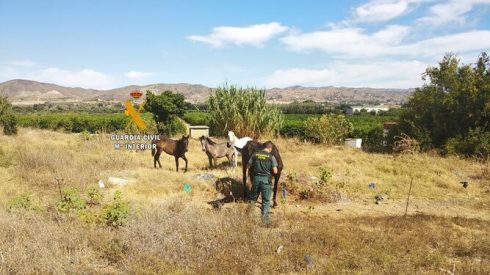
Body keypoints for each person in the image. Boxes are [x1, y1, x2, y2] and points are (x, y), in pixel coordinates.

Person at [247, 142, 278, 224]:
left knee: (253, 199)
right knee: (266, 201)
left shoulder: (255, 154)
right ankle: (265, 221)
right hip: (266, 181)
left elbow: (248, 166)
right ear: (270, 149)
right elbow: (275, 171)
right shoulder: (271, 157)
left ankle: (247, 218)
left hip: (256, 179)